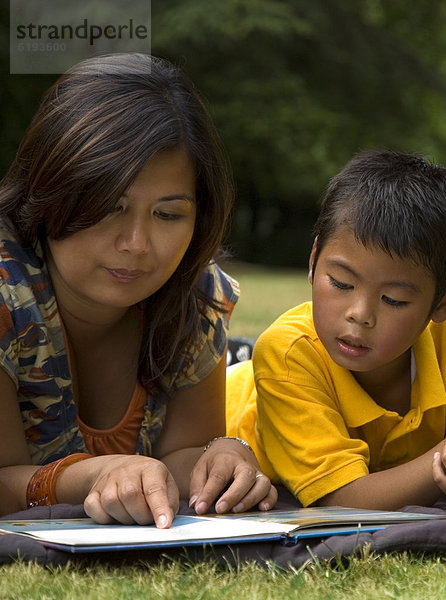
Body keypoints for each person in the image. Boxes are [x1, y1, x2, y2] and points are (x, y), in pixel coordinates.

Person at [0, 53, 277, 529]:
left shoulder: (193, 293)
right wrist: (96, 475)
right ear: (48, 192)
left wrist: (222, 461)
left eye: (168, 215)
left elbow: (181, 456)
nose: (137, 245)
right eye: (109, 207)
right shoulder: (7, 295)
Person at [226, 150, 446, 510]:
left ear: (442, 303)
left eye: (394, 300)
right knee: (238, 363)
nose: (360, 314)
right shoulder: (287, 354)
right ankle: (237, 352)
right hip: (232, 396)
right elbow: (343, 499)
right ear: (312, 263)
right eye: (340, 283)